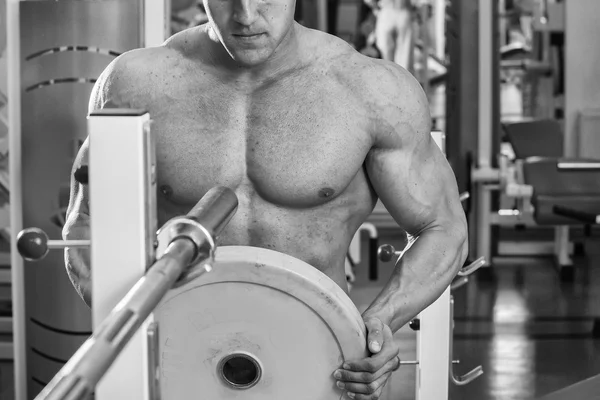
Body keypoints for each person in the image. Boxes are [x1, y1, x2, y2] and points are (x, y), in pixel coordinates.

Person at [62, 0, 468, 398]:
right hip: (175, 353)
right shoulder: (136, 83)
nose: (246, 15)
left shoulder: (371, 90)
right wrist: (129, 326)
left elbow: (442, 227)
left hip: (320, 356)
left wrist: (380, 321)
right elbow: (85, 224)